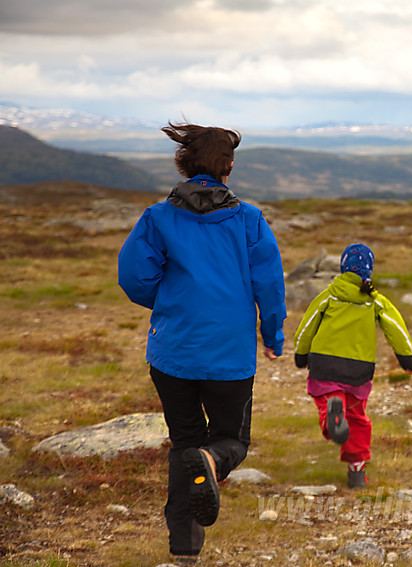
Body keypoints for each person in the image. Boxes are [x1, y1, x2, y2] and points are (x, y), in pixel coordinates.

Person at [118, 121, 286, 565]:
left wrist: (172, 302)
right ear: (228, 168)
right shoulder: (248, 219)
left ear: (183, 164)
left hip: (172, 353)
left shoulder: (157, 217)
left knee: (184, 444)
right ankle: (213, 462)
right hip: (229, 357)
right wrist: (273, 336)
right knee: (229, 441)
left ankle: (184, 552)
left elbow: (134, 279)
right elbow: (269, 286)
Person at [293, 243, 412, 488]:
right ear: (368, 271)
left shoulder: (329, 295)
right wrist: (407, 358)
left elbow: (307, 326)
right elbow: (395, 326)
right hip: (358, 370)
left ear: (343, 268)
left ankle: (332, 422)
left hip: (324, 363)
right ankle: (357, 470)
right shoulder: (374, 299)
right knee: (357, 417)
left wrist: (301, 353)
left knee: (328, 403)